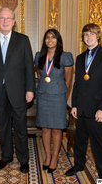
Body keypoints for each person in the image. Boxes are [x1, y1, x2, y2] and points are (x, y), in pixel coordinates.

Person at [0, 8, 35, 173]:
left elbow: (28, 67)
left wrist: (30, 90)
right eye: (1, 18)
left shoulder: (23, 40)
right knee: (3, 126)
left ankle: (23, 159)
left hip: (18, 90)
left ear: (13, 21)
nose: (5, 21)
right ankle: (6, 157)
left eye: (8, 18)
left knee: (20, 126)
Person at [64, 23, 102, 179]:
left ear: (98, 36)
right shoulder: (80, 58)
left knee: (98, 144)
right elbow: (78, 83)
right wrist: (74, 105)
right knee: (79, 141)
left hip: (98, 109)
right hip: (81, 108)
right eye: (86, 34)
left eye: (92, 34)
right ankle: (79, 165)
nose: (88, 37)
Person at [34, 29, 74, 173]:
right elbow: (39, 74)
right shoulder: (39, 55)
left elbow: (68, 79)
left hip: (58, 96)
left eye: (53, 37)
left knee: (57, 129)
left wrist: (62, 92)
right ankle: (48, 156)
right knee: (45, 128)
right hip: (43, 94)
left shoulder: (65, 56)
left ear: (58, 39)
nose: (50, 39)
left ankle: (55, 157)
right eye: (47, 37)